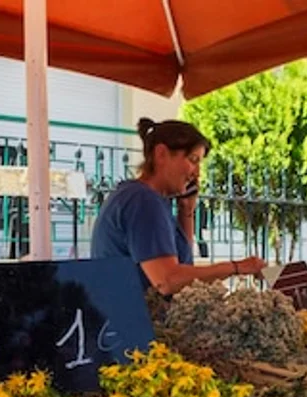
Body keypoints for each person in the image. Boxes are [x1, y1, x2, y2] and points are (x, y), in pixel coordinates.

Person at [92, 118, 265, 294]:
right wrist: (236, 267)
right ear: (161, 154)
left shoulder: (144, 198)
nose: (197, 173)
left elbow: (183, 264)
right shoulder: (143, 201)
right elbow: (167, 280)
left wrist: (186, 211)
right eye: (193, 160)